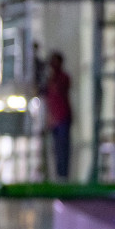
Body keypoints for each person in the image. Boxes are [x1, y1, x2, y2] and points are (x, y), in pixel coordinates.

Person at [42, 52, 73, 181]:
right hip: (54, 120)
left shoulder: (63, 78)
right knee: (55, 149)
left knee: (63, 148)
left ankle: (63, 175)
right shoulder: (49, 81)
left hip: (63, 117)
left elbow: (61, 90)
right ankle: (58, 175)